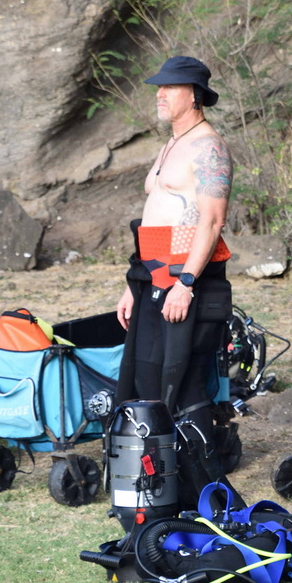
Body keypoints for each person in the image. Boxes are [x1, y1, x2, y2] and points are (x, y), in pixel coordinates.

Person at [114, 55, 237, 505]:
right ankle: (160, 490)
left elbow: (212, 220)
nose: (160, 94)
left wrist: (186, 282)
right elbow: (155, 220)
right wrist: (135, 283)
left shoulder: (209, 147)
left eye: (170, 87)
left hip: (189, 283)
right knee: (148, 379)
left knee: (183, 383)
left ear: (195, 95)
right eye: (158, 87)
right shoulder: (173, 144)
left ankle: (205, 495)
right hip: (154, 279)